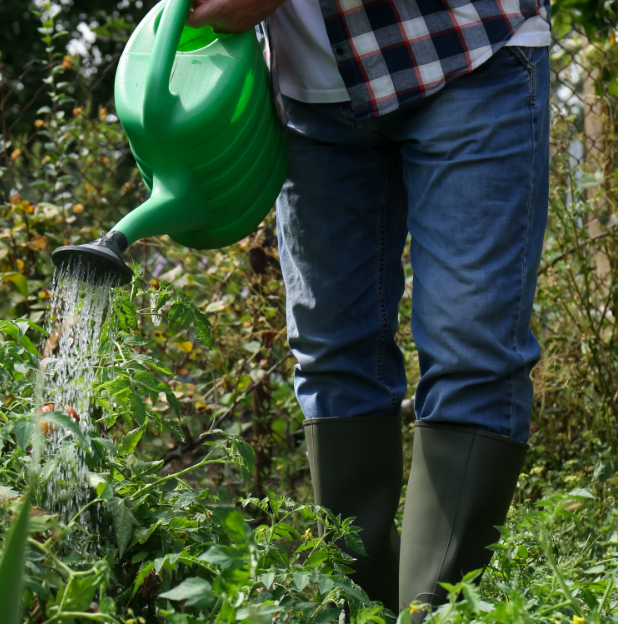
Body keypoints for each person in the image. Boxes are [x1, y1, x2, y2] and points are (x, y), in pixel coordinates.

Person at [184, 0, 551, 618]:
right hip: (309, 91)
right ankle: (361, 608)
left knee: (472, 350)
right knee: (333, 360)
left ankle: (433, 612)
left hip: (463, 48)